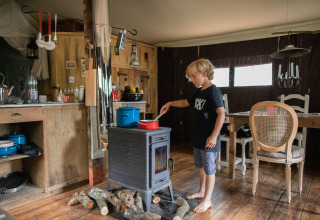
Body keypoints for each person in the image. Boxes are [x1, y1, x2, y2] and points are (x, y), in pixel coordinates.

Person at [160, 58, 225, 213]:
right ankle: (202, 191)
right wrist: (170, 103)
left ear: (204, 73)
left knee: (210, 169)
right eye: (190, 77)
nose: (191, 80)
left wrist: (214, 136)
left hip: (209, 139)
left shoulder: (213, 91)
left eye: (193, 76)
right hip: (199, 137)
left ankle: (207, 200)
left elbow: (221, 114)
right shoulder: (199, 90)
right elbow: (185, 102)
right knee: (201, 166)